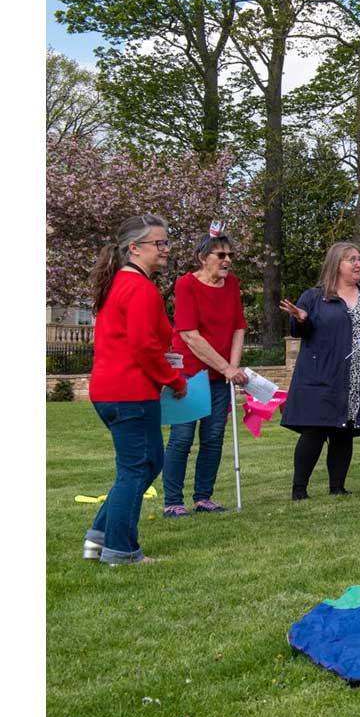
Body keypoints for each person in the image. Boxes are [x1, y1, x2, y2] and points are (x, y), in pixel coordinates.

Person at [83, 214, 187, 566]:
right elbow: (144, 346)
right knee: (137, 467)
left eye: (166, 242)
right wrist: (174, 380)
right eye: (159, 243)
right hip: (130, 391)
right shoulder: (140, 288)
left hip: (111, 390)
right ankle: (122, 550)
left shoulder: (119, 285)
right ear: (134, 248)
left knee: (145, 463)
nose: (166, 250)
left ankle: (98, 538)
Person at [278, 243, 360, 500]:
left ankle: (337, 486)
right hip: (322, 375)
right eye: (351, 260)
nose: (358, 264)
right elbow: (300, 331)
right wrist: (301, 319)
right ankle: (299, 489)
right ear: (336, 265)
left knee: (344, 430)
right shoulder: (314, 297)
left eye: (359, 259)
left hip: (358, 375)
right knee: (315, 430)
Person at [161, 224, 248, 518]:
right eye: (220, 254)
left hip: (220, 376)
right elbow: (189, 335)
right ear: (203, 257)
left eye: (230, 255)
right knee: (183, 437)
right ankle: (173, 500)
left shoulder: (232, 284)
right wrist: (226, 367)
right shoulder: (186, 284)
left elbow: (238, 327)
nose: (227, 260)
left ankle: (203, 497)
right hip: (189, 373)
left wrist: (231, 368)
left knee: (213, 438)